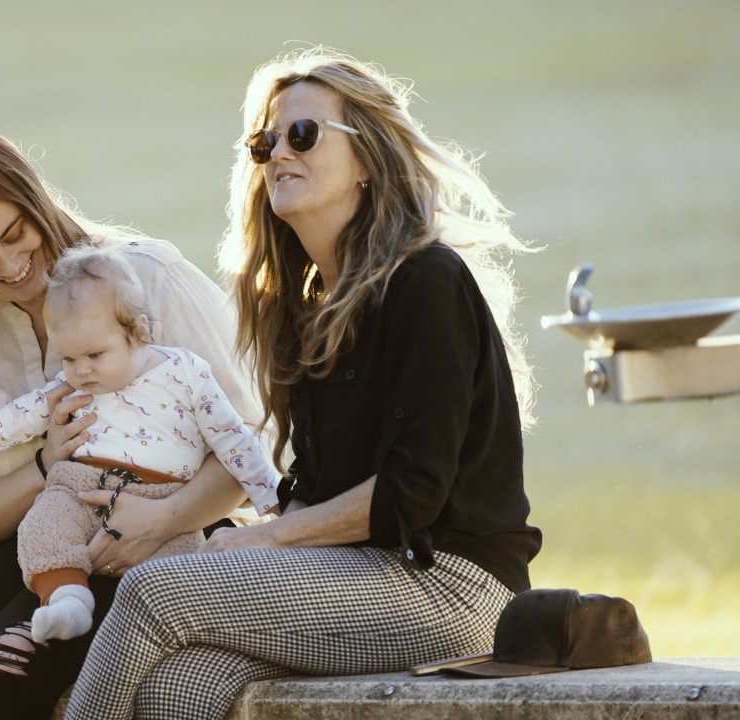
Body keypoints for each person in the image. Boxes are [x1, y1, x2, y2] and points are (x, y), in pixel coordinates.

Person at [65, 46, 543, 720]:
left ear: (369, 163)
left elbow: (411, 494)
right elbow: (316, 487)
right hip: (355, 575)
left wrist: (257, 539)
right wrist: (245, 536)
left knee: (152, 593)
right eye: (265, 141)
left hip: (451, 586)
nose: (279, 153)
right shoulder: (307, 301)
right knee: (178, 686)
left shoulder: (425, 281)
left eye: (305, 134)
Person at [0, 124, 265, 720]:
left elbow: (257, 439)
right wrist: (44, 469)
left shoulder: (147, 277)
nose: (12, 266)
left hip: (166, 535)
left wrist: (159, 519)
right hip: (31, 535)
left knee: (2, 674)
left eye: (17, 235)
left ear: (34, 199)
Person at [0, 243, 280, 645]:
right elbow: (28, 411)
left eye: (95, 354)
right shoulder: (74, 384)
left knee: (179, 559)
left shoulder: (185, 373)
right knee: (43, 527)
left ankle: (176, 626)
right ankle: (67, 598)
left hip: (160, 492)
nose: (82, 370)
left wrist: (269, 497)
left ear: (138, 332)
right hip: (79, 486)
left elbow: (232, 437)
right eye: (69, 359)